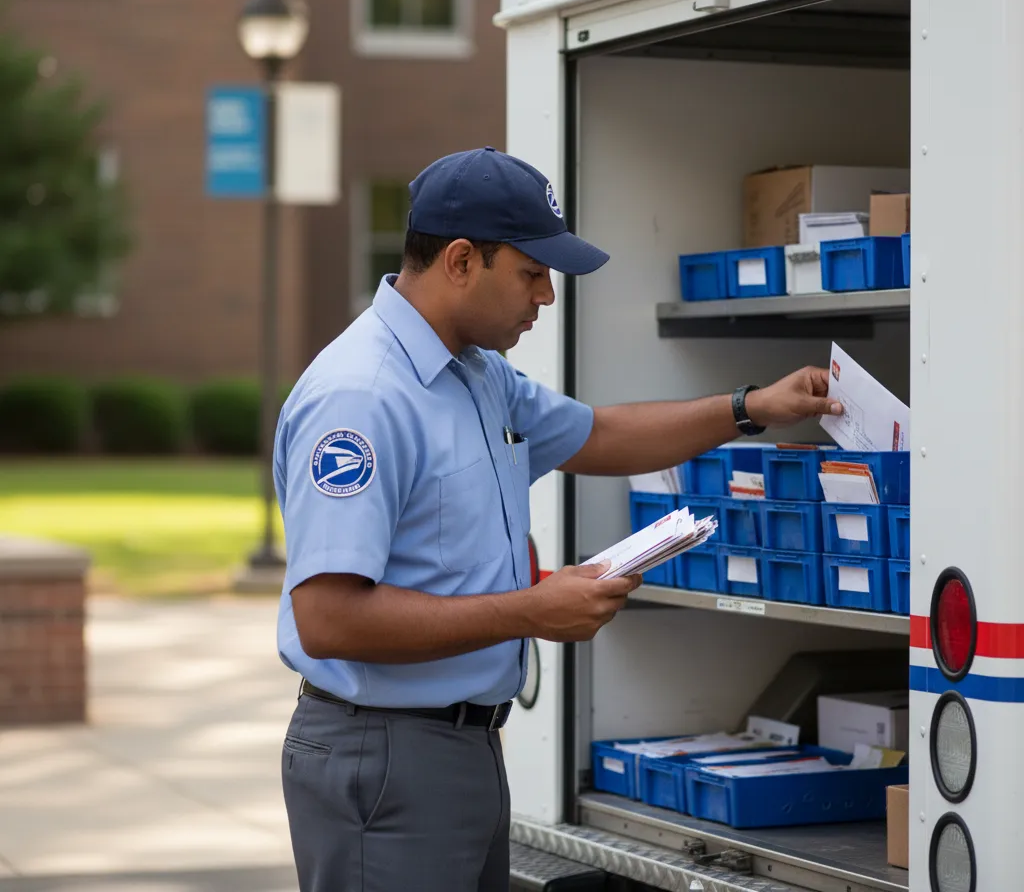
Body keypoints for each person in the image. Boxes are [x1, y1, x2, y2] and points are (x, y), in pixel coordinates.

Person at [273, 146, 842, 892]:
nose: (545, 296)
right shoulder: (363, 398)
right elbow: (328, 620)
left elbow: (597, 434)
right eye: (532, 273)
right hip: (384, 752)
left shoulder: (476, 373)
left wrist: (747, 408)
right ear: (460, 260)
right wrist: (532, 611)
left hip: (456, 746)